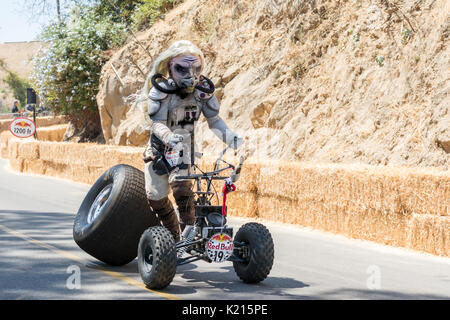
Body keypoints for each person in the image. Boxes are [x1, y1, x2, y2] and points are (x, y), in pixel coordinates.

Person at [139, 40, 243, 242]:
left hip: (185, 149)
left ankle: (189, 236)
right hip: (158, 150)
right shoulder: (161, 91)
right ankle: (172, 236)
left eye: (196, 68)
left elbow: (214, 121)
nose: (190, 75)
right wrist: (169, 137)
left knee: (182, 188)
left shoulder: (203, 91)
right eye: (182, 69)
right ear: (170, 66)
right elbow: (157, 123)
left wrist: (231, 138)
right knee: (156, 197)